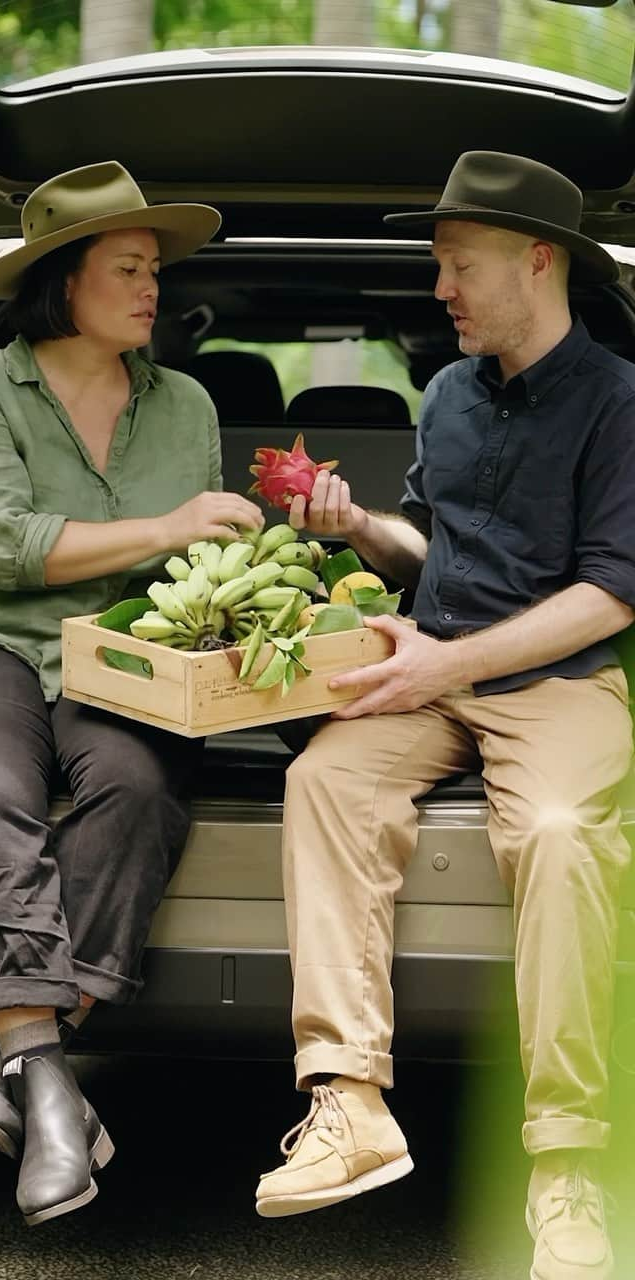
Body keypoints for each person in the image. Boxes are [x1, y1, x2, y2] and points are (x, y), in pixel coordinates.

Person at [256, 151, 635, 1280]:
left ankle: (568, 1168)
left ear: (538, 260)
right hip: (437, 665)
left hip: (562, 679)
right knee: (322, 779)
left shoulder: (620, 401)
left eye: (457, 265)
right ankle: (349, 1103)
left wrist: (444, 663)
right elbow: (437, 546)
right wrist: (361, 526)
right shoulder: (448, 394)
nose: (440, 289)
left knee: (564, 838)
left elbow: (611, 589)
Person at [0, 160, 264, 1226]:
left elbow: (180, 580)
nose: (152, 286)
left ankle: (15, 1062)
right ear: (65, 279)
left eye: (155, 269)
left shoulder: (188, 403)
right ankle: (53, 1083)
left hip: (123, 650)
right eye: (128, 266)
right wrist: (167, 526)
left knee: (139, 784)